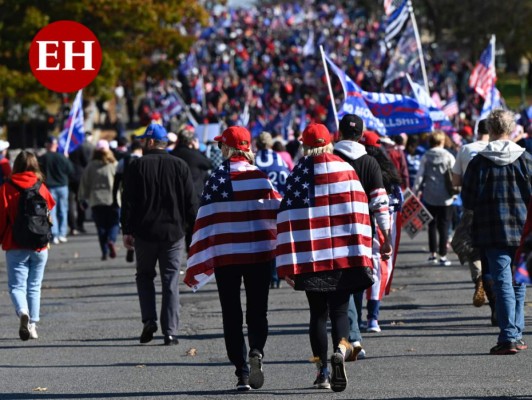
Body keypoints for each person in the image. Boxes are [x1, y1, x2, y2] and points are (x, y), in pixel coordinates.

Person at [277, 123, 374, 393]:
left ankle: (321, 372)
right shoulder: (346, 169)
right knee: (341, 311)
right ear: (330, 142)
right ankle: (340, 354)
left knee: (317, 315)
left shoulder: (299, 174)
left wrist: (287, 261)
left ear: (306, 145)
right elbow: (360, 211)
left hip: (311, 258)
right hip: (343, 255)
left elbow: (287, 218)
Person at [185, 126, 282, 392]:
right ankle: (257, 350)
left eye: (220, 146)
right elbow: (276, 212)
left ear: (227, 148)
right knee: (257, 310)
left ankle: (241, 372)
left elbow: (206, 220)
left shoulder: (216, 178)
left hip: (227, 255)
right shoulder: (261, 178)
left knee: (231, 313)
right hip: (259, 254)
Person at [121, 123, 198, 346]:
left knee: (144, 276)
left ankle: (149, 320)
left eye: (144, 140)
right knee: (170, 280)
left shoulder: (137, 166)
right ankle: (170, 331)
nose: (142, 144)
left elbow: (128, 202)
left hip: (144, 233)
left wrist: (127, 229)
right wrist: (193, 230)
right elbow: (190, 202)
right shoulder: (180, 166)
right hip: (173, 233)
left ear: (151, 142)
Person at [462, 109, 531, 355]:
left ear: (490, 130)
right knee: (518, 283)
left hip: (491, 228)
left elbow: (467, 199)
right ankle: (516, 333)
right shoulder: (526, 159)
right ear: (511, 129)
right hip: (523, 228)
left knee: (502, 282)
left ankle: (509, 336)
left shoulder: (479, 161)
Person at [333, 115, 392, 351]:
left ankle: (352, 333)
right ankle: (353, 333)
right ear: (361, 134)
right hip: (363, 229)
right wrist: (385, 234)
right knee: (357, 279)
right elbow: (380, 202)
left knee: (346, 282)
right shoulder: (370, 162)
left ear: (339, 132)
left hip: (334, 228)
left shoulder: (331, 158)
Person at [0, 151, 55, 340]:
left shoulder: (7, 187)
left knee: (16, 286)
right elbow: (50, 212)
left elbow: (1, 218)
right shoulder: (41, 186)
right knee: (34, 285)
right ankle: (32, 325)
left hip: (15, 243)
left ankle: (23, 312)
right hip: (39, 244)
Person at [358, 131, 403, 334]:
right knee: (378, 266)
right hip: (383, 224)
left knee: (358, 265)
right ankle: (373, 317)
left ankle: (356, 316)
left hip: (360, 222)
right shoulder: (389, 171)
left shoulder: (352, 166)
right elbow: (398, 201)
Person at [451, 119, 491, 311]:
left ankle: (479, 276)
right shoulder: (497, 148)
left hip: (470, 204)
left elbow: (456, 181)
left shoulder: (466, 149)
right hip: (494, 205)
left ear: (477, 131)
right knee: (491, 245)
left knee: (466, 243)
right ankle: (490, 278)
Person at [413, 130, 456, 266]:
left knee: (431, 225)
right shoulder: (449, 156)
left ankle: (432, 254)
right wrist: (455, 193)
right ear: (442, 141)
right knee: (444, 226)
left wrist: (415, 191)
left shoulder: (425, 156)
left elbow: (420, 176)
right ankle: (443, 255)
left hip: (429, 195)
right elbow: (454, 175)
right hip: (446, 197)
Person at [254, 131, 291, 288]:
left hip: (258, 204)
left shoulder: (254, 159)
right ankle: (275, 276)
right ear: (270, 143)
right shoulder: (279, 159)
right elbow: (287, 178)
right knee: (275, 239)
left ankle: (265, 275)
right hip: (277, 203)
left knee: (261, 240)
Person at [78, 140, 120, 261]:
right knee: (114, 224)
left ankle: (105, 252)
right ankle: (111, 240)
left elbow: (84, 184)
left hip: (96, 200)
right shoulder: (114, 164)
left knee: (101, 227)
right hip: (113, 200)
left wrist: (82, 199)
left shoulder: (90, 166)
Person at [38, 136, 74, 244]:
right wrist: (66, 159)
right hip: (63, 186)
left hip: (49, 188)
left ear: (47, 145)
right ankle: (62, 233)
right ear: (56, 145)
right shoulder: (62, 157)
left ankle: (55, 234)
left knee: (51, 212)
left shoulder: (43, 158)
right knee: (63, 210)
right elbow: (71, 170)